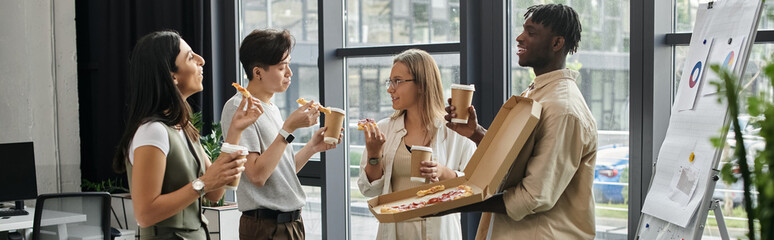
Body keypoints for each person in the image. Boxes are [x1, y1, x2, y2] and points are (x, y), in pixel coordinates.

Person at [440, 4, 597, 239]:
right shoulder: (539, 93)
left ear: (556, 43)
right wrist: (476, 132)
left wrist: (454, 203)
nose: (519, 37)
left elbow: (532, 197)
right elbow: (517, 160)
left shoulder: (563, 109)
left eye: (531, 33)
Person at [114, 31, 263, 239]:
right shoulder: (152, 131)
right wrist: (202, 183)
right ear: (172, 76)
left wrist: (235, 131)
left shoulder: (183, 127)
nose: (202, 60)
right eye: (191, 57)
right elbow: (145, 214)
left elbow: (215, 193)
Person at [220, 28, 342, 240]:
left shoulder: (272, 108)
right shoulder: (239, 108)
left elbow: (279, 172)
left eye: (289, 64)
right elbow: (257, 176)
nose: (289, 73)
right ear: (258, 72)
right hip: (266, 227)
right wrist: (288, 129)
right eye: (281, 67)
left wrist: (312, 147)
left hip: (290, 224)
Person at [357, 49, 477, 240]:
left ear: (421, 84)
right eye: (390, 81)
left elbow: (474, 187)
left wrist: (444, 173)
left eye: (398, 81)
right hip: (395, 233)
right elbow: (369, 190)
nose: (390, 89)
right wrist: (374, 155)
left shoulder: (456, 131)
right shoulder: (384, 129)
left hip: (440, 234)